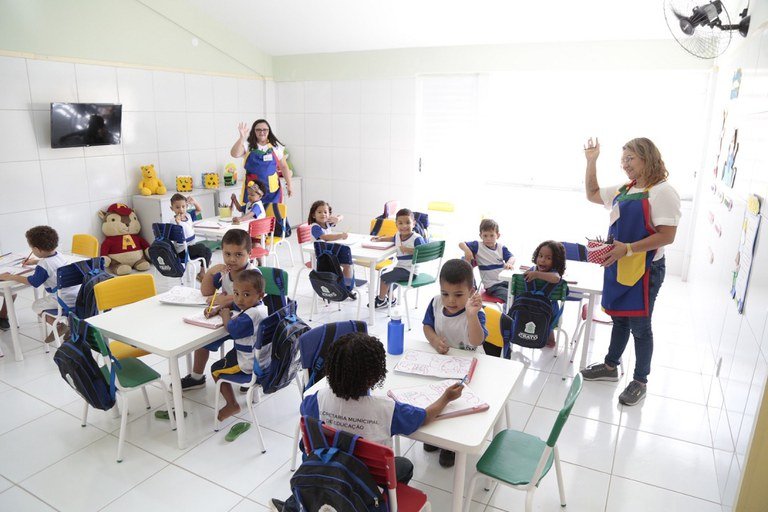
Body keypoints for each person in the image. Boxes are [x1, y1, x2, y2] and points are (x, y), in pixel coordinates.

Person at [269, 332, 464, 512]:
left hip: (326, 470)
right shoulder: (387, 410)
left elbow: (307, 428)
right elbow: (425, 416)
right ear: (374, 377)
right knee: (404, 465)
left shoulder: (314, 401)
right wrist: (446, 397)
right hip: (368, 481)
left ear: (333, 371)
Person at [580, 137, 681, 406]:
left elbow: (667, 236)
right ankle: (611, 367)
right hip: (621, 263)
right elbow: (592, 193)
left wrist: (628, 249)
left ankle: (639, 381)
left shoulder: (663, 192)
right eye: (622, 160)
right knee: (620, 319)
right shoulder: (627, 189)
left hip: (646, 269)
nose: (624, 165)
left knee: (640, 326)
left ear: (647, 158)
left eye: (630, 159)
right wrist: (591, 160)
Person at [422, 258, 487, 467]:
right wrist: (434, 341)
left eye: (458, 295)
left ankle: (451, 446)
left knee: (458, 403)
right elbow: (427, 326)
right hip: (441, 362)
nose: (450, 300)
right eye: (445, 293)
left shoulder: (475, 311)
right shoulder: (435, 303)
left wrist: (471, 315)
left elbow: (477, 340)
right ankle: (434, 435)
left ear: (472, 291)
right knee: (435, 396)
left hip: (469, 365)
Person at [180, 229, 260, 390]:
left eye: (238, 255)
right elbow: (206, 292)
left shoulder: (252, 274)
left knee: (244, 347)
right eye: (227, 254)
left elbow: (249, 298)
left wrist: (224, 300)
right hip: (225, 320)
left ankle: (249, 375)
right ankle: (197, 378)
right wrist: (210, 272)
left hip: (246, 325)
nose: (232, 259)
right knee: (202, 341)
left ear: (249, 253)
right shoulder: (225, 273)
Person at [205, 269, 268, 421]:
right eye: (236, 293)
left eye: (246, 294)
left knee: (215, 370)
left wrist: (225, 316)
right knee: (229, 356)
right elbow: (235, 304)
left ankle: (232, 404)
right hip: (262, 357)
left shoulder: (250, 316)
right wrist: (218, 309)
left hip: (248, 363)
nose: (240, 299)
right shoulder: (260, 307)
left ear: (260, 295)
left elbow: (232, 329)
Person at [0, 226, 81, 342]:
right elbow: (52, 264)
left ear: (38, 250)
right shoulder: (59, 255)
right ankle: (68, 325)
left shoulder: (44, 264)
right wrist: (35, 262)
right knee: (43, 302)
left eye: (32, 249)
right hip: (76, 295)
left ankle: (60, 326)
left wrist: (11, 276)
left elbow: (33, 282)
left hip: (62, 299)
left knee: (36, 305)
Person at [371, 208, 426, 309]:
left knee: (384, 279)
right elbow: (392, 238)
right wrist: (380, 239)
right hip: (400, 268)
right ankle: (392, 300)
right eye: (400, 223)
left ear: (413, 223)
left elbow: (424, 252)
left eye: (407, 223)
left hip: (411, 271)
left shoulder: (417, 238)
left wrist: (409, 250)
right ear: (396, 224)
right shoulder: (398, 235)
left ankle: (381, 300)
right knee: (387, 282)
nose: (404, 226)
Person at [230, 119, 292, 205]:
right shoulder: (248, 145)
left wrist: (289, 185)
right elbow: (234, 154)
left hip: (272, 192)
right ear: (254, 131)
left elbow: (284, 167)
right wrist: (241, 138)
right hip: (253, 191)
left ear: (269, 131)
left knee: (272, 216)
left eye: (264, 129)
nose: (261, 132)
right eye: (258, 130)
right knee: (253, 215)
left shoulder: (275, 146)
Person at [459, 218, 515, 302]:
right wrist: (467, 251)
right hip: (492, 285)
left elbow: (512, 257)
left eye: (492, 235)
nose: (488, 239)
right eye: (485, 235)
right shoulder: (478, 246)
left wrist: (509, 263)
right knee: (509, 296)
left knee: (518, 291)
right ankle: (509, 313)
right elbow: (461, 244)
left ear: (498, 235)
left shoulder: (501, 247)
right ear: (480, 235)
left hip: (505, 281)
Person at [523, 240, 567, 348]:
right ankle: (549, 338)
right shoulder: (533, 270)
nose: (542, 260)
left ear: (556, 261)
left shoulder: (549, 273)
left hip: (530, 308)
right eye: (540, 256)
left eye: (548, 258)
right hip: (545, 310)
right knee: (549, 310)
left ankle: (546, 336)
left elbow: (556, 278)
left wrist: (537, 274)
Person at [307, 200, 353, 283]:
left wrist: (338, 218)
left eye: (325, 212)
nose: (323, 214)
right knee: (347, 264)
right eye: (319, 212)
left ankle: (347, 286)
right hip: (319, 256)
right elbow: (325, 237)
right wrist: (340, 236)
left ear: (329, 214)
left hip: (329, 253)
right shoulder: (315, 227)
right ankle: (345, 285)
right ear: (314, 215)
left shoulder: (327, 223)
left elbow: (342, 216)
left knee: (348, 264)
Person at [169, 193, 212, 281]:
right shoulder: (173, 221)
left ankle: (201, 273)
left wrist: (194, 202)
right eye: (177, 207)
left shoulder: (188, 215)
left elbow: (199, 210)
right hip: (183, 252)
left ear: (186, 206)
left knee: (208, 251)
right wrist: (178, 222)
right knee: (202, 248)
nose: (181, 209)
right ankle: (205, 266)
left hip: (191, 248)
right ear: (172, 209)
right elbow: (179, 233)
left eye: (183, 206)